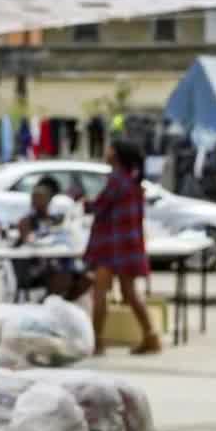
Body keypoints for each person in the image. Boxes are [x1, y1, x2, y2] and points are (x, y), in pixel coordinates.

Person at [89, 139, 162, 355]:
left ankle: (97, 341)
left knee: (100, 292)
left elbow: (99, 207)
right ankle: (151, 336)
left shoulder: (117, 181)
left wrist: (82, 202)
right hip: (127, 245)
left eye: (109, 149)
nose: (106, 152)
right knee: (129, 293)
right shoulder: (132, 182)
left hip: (112, 246)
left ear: (116, 156)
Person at [13, 177, 90, 300]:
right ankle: (47, 304)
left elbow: (69, 238)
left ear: (49, 200)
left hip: (59, 259)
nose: (38, 201)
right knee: (63, 275)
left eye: (41, 198)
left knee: (86, 279)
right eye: (35, 198)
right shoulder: (26, 221)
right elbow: (29, 240)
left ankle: (59, 303)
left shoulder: (57, 219)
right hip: (35, 265)